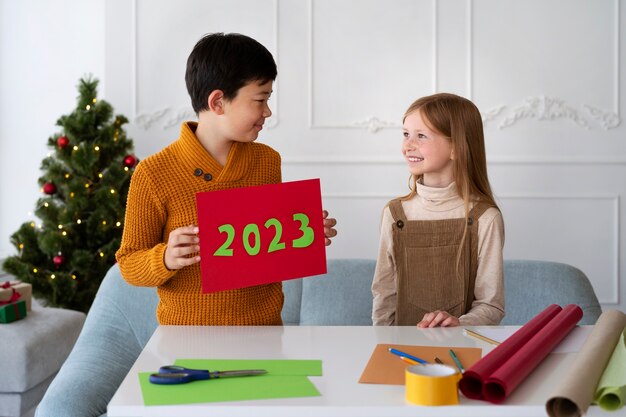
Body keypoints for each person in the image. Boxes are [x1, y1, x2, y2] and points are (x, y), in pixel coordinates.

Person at [116, 32, 337, 326]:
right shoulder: (154, 174)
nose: (268, 111)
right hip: (188, 343)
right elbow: (129, 263)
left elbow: (262, 251)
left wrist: (301, 237)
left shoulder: (267, 162)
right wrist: (166, 258)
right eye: (260, 99)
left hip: (265, 336)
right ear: (218, 101)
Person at [371, 93, 504, 328]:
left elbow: (491, 306)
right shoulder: (394, 214)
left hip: (463, 351)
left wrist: (460, 324)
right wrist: (382, 342)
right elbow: (384, 296)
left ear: (457, 148)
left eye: (421, 136)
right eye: (405, 135)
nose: (407, 146)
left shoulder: (486, 218)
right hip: (400, 352)